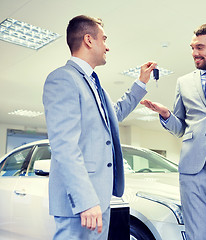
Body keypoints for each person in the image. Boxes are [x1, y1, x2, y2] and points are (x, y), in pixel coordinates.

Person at [42, 15, 156, 240]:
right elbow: (64, 145)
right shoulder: (63, 79)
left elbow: (115, 114)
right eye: (103, 39)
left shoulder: (96, 87)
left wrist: (141, 83)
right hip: (82, 203)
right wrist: (85, 199)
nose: (107, 46)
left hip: (99, 198)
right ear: (88, 40)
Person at [141, 23, 206, 240]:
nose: (194, 53)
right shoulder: (183, 82)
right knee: (196, 235)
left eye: (199, 47)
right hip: (191, 171)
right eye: (192, 47)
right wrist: (167, 115)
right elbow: (180, 128)